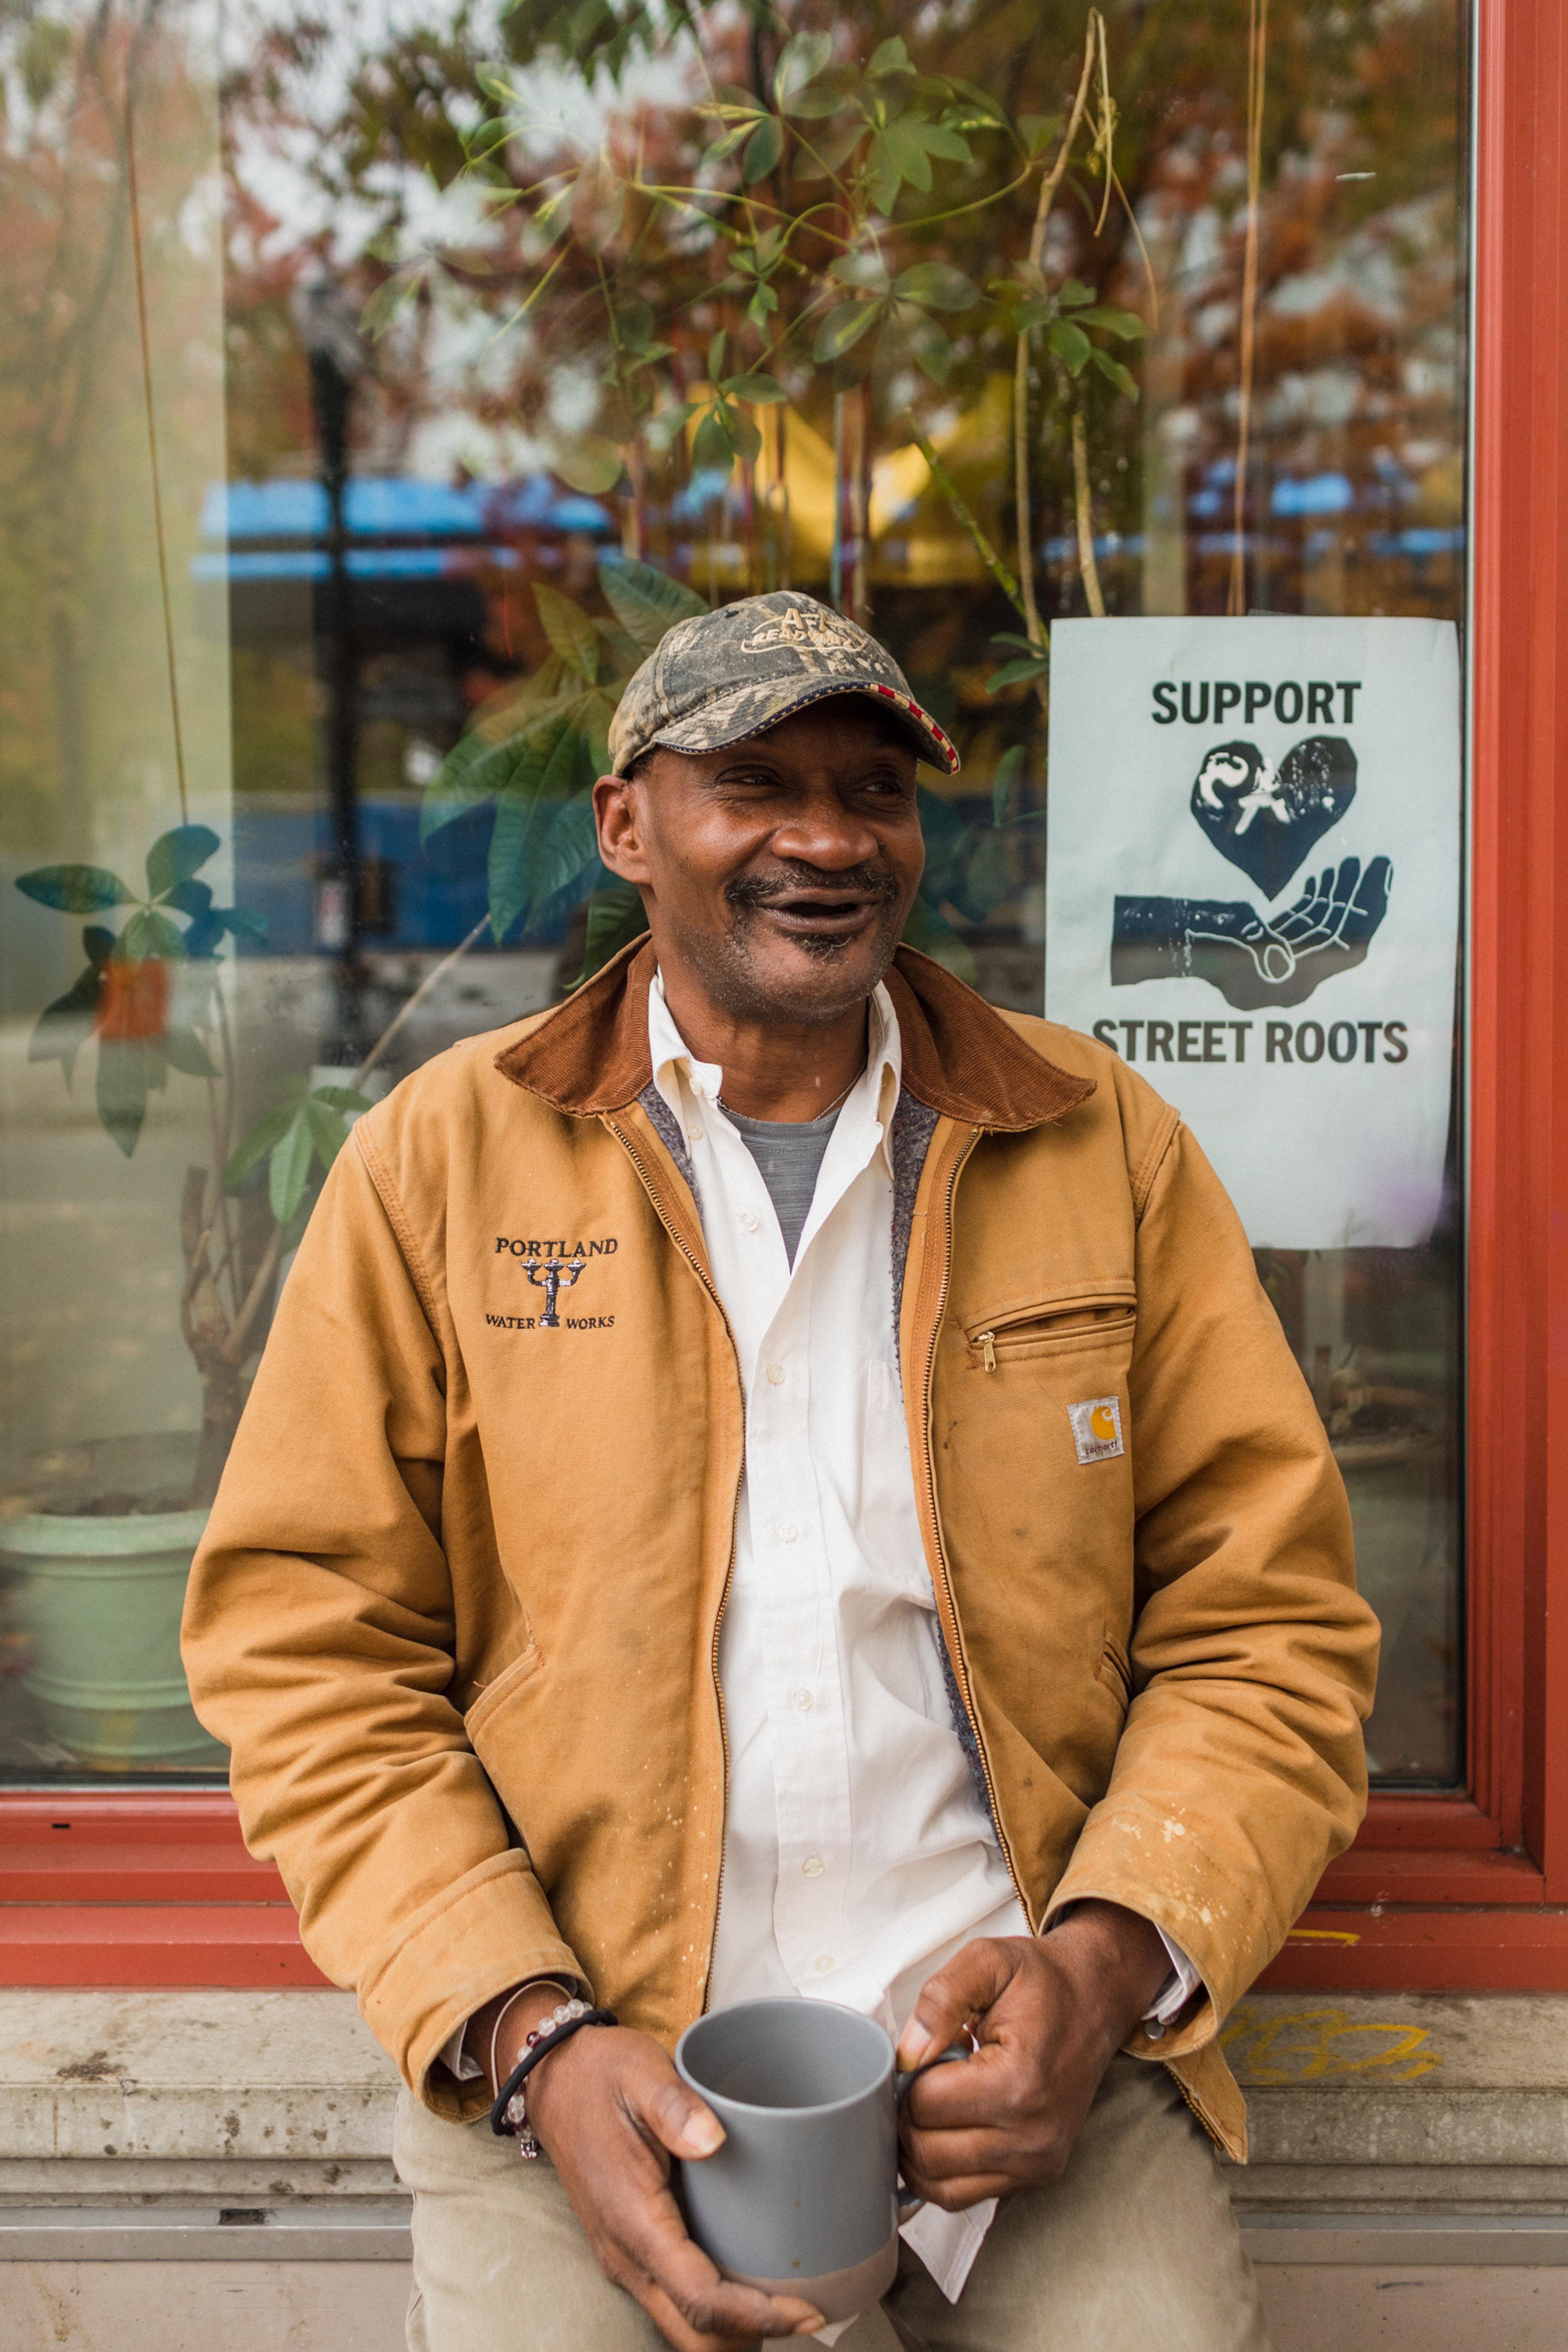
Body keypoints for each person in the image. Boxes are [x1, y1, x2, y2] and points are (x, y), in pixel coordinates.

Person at [182, 590, 1378, 2352]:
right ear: (626, 826)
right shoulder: (437, 1168)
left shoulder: (1096, 1143)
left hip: (1021, 2058)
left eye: (873, 791)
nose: (828, 839)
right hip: (599, 2066)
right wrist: (528, 2039)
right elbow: (311, 1650)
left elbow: (1265, 1624)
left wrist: (1107, 1965)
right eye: (755, 782)